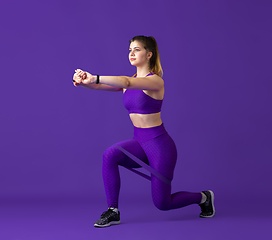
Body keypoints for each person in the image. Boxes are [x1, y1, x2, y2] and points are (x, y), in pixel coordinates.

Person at [72, 35, 215, 228]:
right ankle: (113, 211)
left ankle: (203, 198)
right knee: (110, 154)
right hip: (138, 142)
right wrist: (83, 80)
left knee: (163, 203)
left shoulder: (155, 82)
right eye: (130, 49)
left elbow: (126, 83)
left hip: (159, 145)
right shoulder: (129, 80)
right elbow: (99, 85)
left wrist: (94, 76)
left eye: (136, 49)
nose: (131, 53)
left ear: (149, 54)